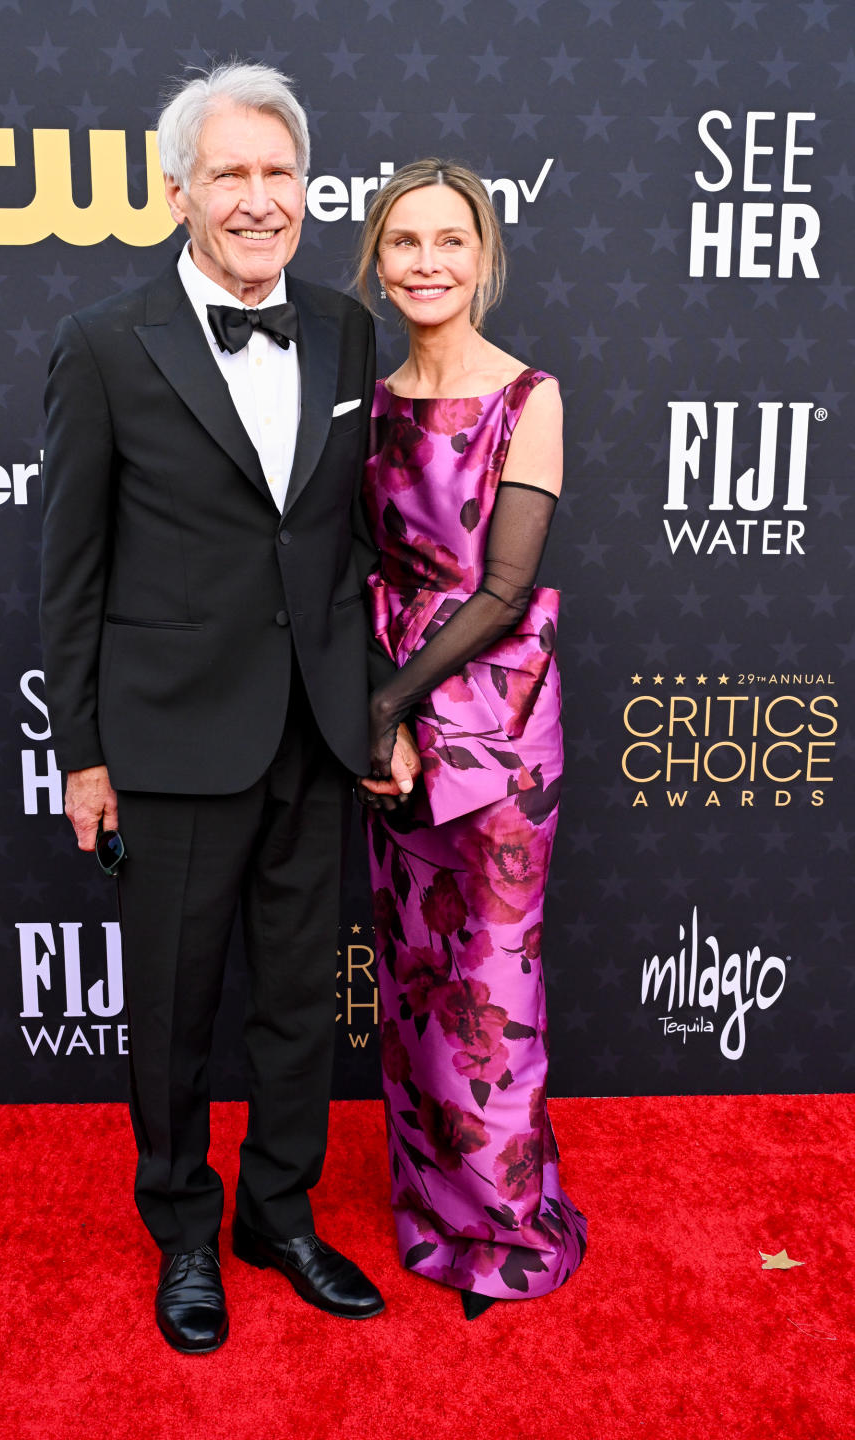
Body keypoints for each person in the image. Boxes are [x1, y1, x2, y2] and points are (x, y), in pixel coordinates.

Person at [39, 61, 418, 1354]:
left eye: (278, 174)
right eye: (231, 174)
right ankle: (183, 1229)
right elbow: (70, 569)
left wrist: (374, 710)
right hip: (169, 736)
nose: (258, 200)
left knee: (302, 1000)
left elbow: (354, 548)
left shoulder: (349, 329)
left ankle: (280, 1212)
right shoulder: (103, 343)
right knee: (175, 1006)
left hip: (316, 730)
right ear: (178, 188)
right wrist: (82, 756)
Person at [355, 159, 587, 1320]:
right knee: (414, 976)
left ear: (483, 256)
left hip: (494, 727)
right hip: (389, 720)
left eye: (450, 242)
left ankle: (502, 1228)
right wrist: (376, 718)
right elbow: (356, 569)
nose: (428, 263)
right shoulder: (372, 395)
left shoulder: (529, 394)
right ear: (378, 260)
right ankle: (432, 1206)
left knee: (491, 982)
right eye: (406, 243)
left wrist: (390, 705)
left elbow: (501, 591)